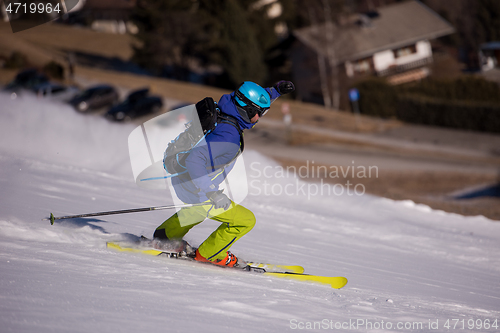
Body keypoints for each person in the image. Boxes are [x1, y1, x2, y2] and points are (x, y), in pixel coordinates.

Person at [153, 80, 295, 267]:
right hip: (195, 181)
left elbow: (250, 98)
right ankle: (210, 254)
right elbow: (195, 159)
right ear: (248, 111)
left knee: (199, 208)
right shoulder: (228, 135)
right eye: (260, 113)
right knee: (245, 220)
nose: (259, 118)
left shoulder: (227, 106)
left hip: (186, 178)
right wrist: (212, 192)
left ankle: (165, 236)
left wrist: (275, 91)